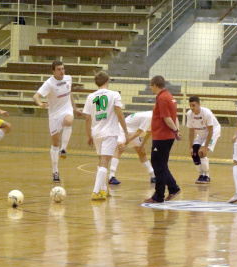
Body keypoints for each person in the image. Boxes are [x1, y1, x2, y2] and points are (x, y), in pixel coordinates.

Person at [33, 61, 82, 182]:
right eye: (59, 69)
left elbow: (69, 94)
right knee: (55, 142)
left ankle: (64, 149)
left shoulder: (68, 79)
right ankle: (55, 171)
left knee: (69, 121)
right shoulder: (49, 83)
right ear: (53, 71)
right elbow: (35, 96)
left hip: (66, 109)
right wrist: (40, 104)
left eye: (63, 68)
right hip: (54, 114)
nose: (62, 71)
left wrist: (75, 108)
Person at [83, 71, 128, 200]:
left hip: (96, 133)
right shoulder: (114, 95)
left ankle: (103, 190)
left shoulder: (90, 97)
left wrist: (88, 136)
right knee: (104, 162)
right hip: (109, 133)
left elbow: (87, 118)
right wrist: (125, 131)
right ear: (107, 81)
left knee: (101, 161)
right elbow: (120, 115)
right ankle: (95, 191)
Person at [144, 75, 182, 203]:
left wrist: (176, 130)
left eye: (151, 86)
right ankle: (172, 188)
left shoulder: (162, 98)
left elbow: (167, 118)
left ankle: (159, 195)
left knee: (158, 165)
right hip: (166, 136)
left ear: (155, 85)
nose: (151, 88)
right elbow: (174, 117)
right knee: (161, 165)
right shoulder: (170, 97)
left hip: (162, 136)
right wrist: (176, 131)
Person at [108, 110, 155, 185]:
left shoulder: (157, 118)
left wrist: (142, 145)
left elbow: (150, 132)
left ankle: (153, 175)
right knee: (120, 149)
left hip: (134, 132)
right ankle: (111, 176)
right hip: (123, 130)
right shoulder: (150, 117)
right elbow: (138, 132)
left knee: (142, 153)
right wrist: (124, 143)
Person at [186, 96, 221, 184]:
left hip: (213, 132)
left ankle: (207, 175)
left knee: (201, 152)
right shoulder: (189, 114)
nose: (191, 107)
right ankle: (201, 174)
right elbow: (191, 132)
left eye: (193, 105)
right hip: (201, 133)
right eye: (190, 105)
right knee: (194, 153)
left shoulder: (207, 113)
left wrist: (205, 147)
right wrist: (190, 147)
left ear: (199, 104)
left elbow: (210, 131)